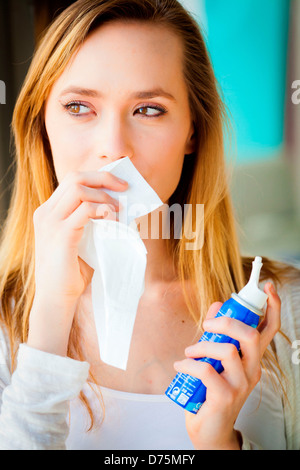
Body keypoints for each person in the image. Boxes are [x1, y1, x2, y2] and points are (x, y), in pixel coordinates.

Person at [0, 0, 299, 450]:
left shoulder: (286, 310)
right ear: (42, 126)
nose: (114, 148)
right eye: (79, 106)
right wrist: (48, 322)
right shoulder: (7, 322)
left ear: (193, 132)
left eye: (148, 110)